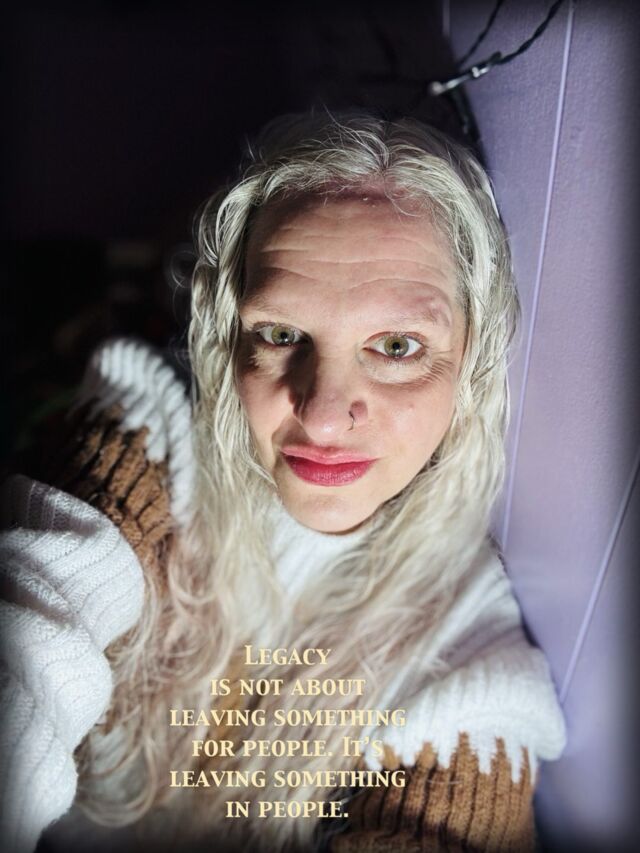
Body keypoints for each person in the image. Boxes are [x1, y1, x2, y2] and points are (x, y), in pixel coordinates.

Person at [0, 112, 566, 853]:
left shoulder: (470, 660)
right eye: (280, 335)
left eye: (397, 346)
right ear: (228, 337)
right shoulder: (139, 439)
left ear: (474, 362)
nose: (323, 416)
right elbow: (31, 631)